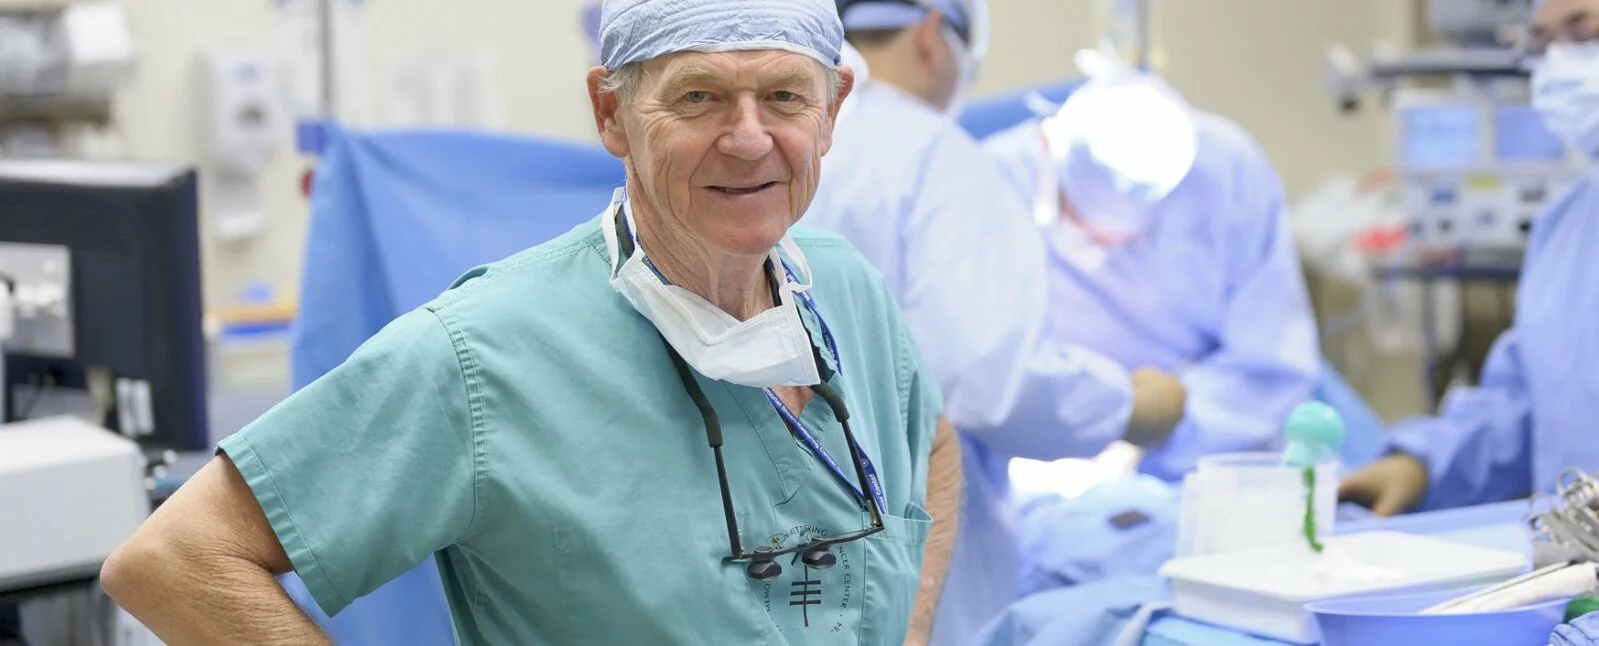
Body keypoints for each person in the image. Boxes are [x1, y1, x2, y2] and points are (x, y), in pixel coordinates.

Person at [98, 1, 962, 643]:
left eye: (783, 97)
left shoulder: (845, 292)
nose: (747, 139)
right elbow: (174, 560)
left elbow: (931, 444)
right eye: (697, 98)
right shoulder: (483, 356)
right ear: (610, 113)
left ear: (833, 110)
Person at [804, 2, 1190, 644]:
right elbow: (994, 381)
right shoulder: (934, 155)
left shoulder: (793, 142)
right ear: (933, 39)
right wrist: (1132, 404)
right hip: (913, 548)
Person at [982, 49, 1320, 482]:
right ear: (1050, 145)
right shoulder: (992, 185)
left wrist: (1158, 429)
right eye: (1094, 231)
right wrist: (1088, 430)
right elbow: (985, 374)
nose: (1118, 249)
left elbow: (1268, 363)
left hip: (1214, 451)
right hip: (1053, 465)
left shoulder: (1227, 168)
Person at [1339, 0, 1599, 517]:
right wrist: (1423, 465)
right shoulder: (1569, 224)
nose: (1561, 64)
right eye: (1543, 44)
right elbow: (1528, 403)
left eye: (1584, 31)